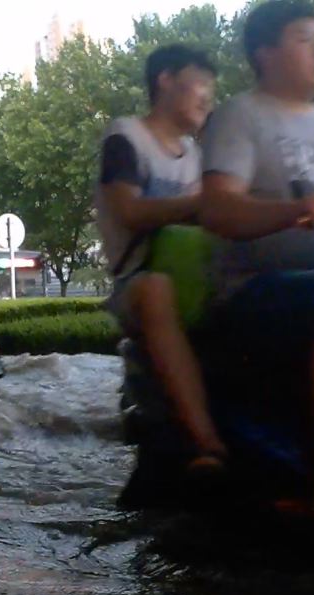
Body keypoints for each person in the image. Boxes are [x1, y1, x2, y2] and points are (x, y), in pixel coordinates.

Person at [198, 1, 314, 546]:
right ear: (266, 53)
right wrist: (297, 211)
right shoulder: (242, 115)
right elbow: (218, 211)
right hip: (254, 295)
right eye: (307, 38)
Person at [95, 45, 225, 476]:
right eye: (201, 81)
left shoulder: (198, 155)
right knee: (156, 289)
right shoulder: (125, 138)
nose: (208, 95)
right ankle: (205, 441)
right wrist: (199, 202)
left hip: (202, 274)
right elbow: (128, 211)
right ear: (165, 80)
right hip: (139, 281)